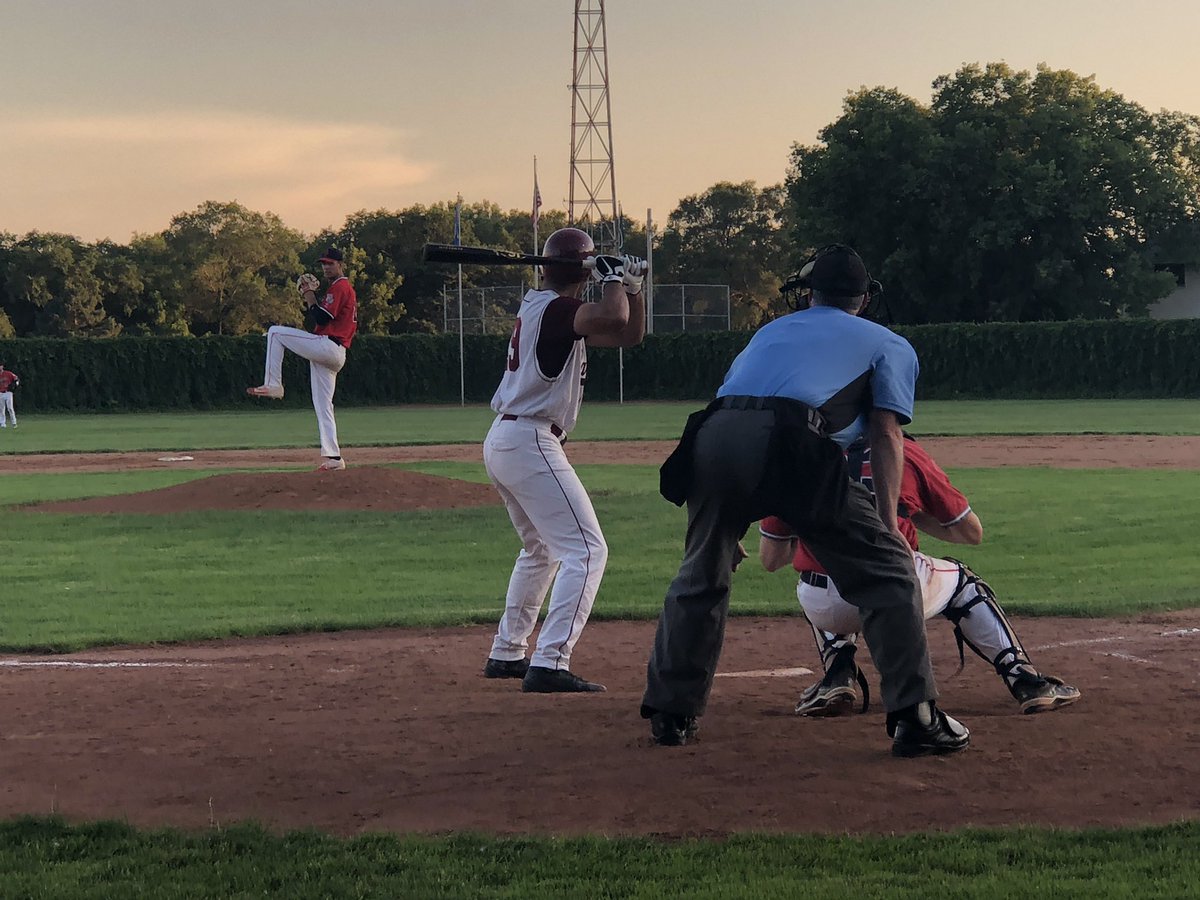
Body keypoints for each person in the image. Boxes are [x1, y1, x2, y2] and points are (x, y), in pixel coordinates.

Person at [643, 243, 969, 757]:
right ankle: (916, 716)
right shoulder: (888, 342)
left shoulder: (768, 332)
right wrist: (886, 525)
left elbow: (738, 406)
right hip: (792, 439)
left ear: (809, 293)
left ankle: (670, 712)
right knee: (887, 571)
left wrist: (731, 519)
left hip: (711, 434)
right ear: (862, 299)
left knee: (702, 573)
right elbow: (886, 436)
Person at [759, 433, 1082, 717]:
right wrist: (907, 513)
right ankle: (1025, 680)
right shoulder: (907, 453)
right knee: (964, 583)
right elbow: (971, 533)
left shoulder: (797, 462)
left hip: (824, 604)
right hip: (896, 589)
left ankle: (838, 675)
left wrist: (818, 529)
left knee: (830, 571)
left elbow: (772, 560)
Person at [483, 227, 646, 693]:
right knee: (588, 550)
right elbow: (612, 316)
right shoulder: (557, 310)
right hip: (530, 438)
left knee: (542, 549)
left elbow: (628, 333)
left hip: (509, 438)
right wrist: (613, 279)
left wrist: (631, 287)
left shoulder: (549, 310)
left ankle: (508, 652)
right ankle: (549, 661)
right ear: (583, 271)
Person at [247, 247, 357, 471]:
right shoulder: (337, 288)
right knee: (323, 404)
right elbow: (321, 317)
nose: (326, 267)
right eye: (324, 263)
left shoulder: (340, 286)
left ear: (340, 264)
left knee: (275, 332)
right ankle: (334, 458)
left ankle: (274, 385)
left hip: (329, 345)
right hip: (334, 351)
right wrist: (311, 297)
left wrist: (308, 294)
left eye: (330, 263)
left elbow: (322, 318)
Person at [0, 363, 19, 428]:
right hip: (0, 393)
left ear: (2, 367)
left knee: (10, 408)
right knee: (1, 409)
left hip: (8, 392)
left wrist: (15, 386)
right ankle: (2, 423)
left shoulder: (8, 373)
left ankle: (14, 423)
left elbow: (16, 379)